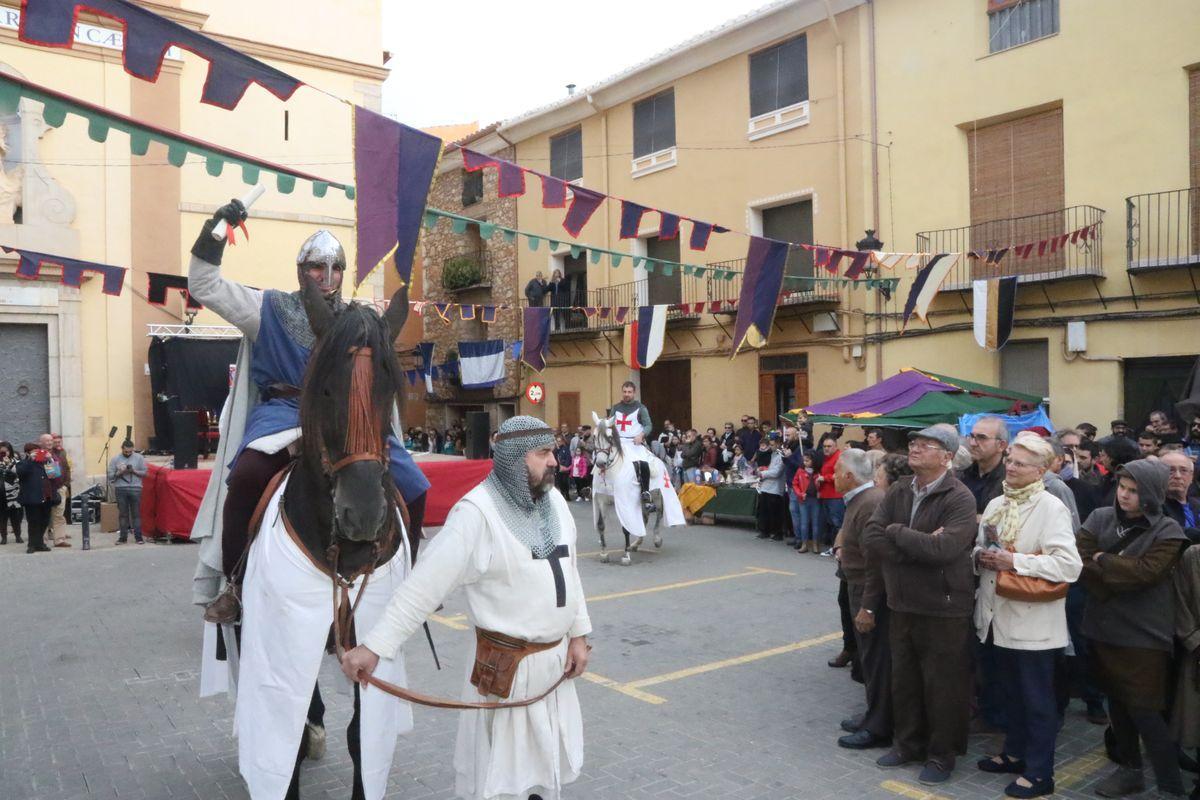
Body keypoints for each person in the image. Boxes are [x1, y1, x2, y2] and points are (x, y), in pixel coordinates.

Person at [186, 201, 429, 619]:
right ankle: (237, 583)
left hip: (348, 418)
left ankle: (409, 571)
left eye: (336, 268)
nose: (327, 277)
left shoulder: (361, 319)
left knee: (415, 484)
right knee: (246, 477)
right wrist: (217, 229)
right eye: (318, 267)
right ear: (302, 268)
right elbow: (205, 285)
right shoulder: (267, 308)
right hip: (284, 412)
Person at [341, 416, 592, 800]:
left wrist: (578, 634)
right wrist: (374, 646)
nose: (555, 461)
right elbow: (422, 588)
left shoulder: (553, 502)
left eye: (552, 451)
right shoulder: (476, 514)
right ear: (512, 458)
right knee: (501, 783)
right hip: (506, 675)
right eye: (543, 453)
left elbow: (569, 570)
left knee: (544, 775)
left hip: (553, 667)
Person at [862, 425, 978, 786]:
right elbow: (871, 536)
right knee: (906, 680)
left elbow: (944, 550)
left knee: (943, 685)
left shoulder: (959, 498)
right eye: (913, 443)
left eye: (926, 445)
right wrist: (915, 542)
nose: (915, 448)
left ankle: (942, 755)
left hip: (943, 606)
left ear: (947, 457)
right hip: (902, 602)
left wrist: (896, 534)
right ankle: (907, 744)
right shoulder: (899, 489)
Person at [973, 436, 1081, 798]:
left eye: (1020, 462)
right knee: (1011, 696)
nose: (1011, 466)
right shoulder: (997, 503)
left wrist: (1015, 561)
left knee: (1037, 701)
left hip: (1034, 623)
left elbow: (1069, 566)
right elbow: (981, 547)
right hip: (996, 617)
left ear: (1040, 470)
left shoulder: (1051, 507)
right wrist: (982, 557)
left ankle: (1040, 773)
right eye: (1010, 459)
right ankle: (1015, 754)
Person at [1077, 460, 1189, 798]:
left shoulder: (1167, 531)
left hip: (1144, 633)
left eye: (1134, 491)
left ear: (1152, 495)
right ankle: (1130, 770)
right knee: (1118, 703)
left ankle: (1170, 783)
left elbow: (1146, 573)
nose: (1124, 496)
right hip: (1102, 626)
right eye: (1122, 488)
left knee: (1145, 709)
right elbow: (1078, 560)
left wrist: (1101, 560)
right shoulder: (1099, 517)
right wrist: (1108, 569)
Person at [832, 449, 890, 750]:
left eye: (836, 470)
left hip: (866, 591)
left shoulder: (869, 504)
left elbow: (876, 563)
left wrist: (868, 606)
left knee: (876, 659)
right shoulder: (859, 500)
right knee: (868, 658)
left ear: (850, 476)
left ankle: (879, 726)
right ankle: (873, 715)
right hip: (856, 585)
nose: (832, 475)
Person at [607, 381, 655, 506]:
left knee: (643, 464)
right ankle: (597, 488)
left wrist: (641, 435)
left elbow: (648, 425)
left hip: (634, 443)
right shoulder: (615, 408)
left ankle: (645, 491)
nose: (626, 394)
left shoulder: (641, 408)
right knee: (600, 459)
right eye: (624, 392)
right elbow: (609, 424)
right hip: (618, 443)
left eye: (629, 392)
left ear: (634, 393)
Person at [959, 416, 1009, 519]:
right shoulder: (961, 474)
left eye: (982, 438)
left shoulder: (1011, 479)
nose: (973, 443)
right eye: (972, 436)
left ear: (1001, 445)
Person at [107, 440, 147, 545]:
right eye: (126, 452)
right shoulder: (115, 459)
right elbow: (110, 476)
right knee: (123, 514)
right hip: (121, 488)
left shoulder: (139, 458)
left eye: (130, 452)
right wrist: (120, 472)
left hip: (136, 488)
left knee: (136, 514)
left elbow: (145, 473)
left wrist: (134, 471)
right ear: (122, 448)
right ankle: (122, 538)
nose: (128, 454)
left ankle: (138, 538)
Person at [16, 442, 53, 553]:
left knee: (44, 521)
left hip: (46, 496)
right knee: (33, 522)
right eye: (34, 452)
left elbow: (54, 475)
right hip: (31, 498)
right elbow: (20, 473)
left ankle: (40, 543)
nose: (37, 454)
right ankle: (31, 545)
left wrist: (50, 460)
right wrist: (30, 460)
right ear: (27, 453)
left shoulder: (45, 463)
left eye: (38, 451)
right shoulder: (23, 463)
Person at [1161, 451, 1200, 541]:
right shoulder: (1155, 506)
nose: (1178, 476)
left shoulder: (1197, 504)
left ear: (1191, 477)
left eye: (1183, 470)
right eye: (1170, 470)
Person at [816, 436, 845, 554]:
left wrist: (824, 478)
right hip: (826, 495)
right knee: (832, 523)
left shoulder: (839, 457)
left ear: (836, 446)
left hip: (835, 496)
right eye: (824, 446)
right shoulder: (827, 458)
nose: (826, 449)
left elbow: (838, 475)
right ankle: (834, 548)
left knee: (837, 524)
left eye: (829, 446)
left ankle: (837, 548)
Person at [0, 441, 23, 545]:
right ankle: (4, 537)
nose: (5, 453)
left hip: (13, 493)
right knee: (2, 517)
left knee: (15, 516)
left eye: (7, 451)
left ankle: (18, 536)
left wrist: (8, 464)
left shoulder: (16, 461)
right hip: (1, 493)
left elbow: (19, 474)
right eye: (3, 451)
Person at [553, 433, 572, 500]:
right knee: (560, 482)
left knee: (565, 481)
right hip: (558, 468)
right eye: (557, 441)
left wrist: (566, 465)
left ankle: (567, 494)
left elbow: (568, 457)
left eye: (559, 441)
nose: (558, 442)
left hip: (565, 467)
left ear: (563, 441)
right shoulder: (556, 450)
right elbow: (554, 457)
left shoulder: (566, 448)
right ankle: (562, 493)